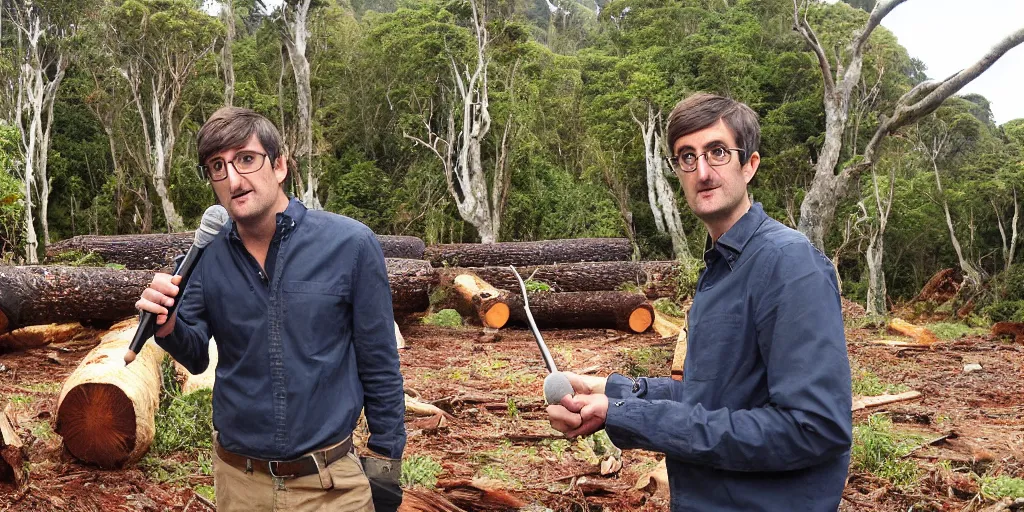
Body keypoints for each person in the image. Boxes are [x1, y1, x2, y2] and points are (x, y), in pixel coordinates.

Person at [546, 93, 853, 511]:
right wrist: (611, 393)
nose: (703, 171)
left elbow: (813, 429)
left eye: (717, 152)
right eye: (686, 157)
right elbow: (716, 398)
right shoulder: (722, 267)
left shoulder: (788, 264)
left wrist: (630, 416)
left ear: (750, 164)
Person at [136, 107, 405, 512]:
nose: (233, 178)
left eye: (246, 159)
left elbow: (380, 365)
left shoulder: (350, 246)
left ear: (279, 165)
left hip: (331, 486)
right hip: (239, 485)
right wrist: (168, 323)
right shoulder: (205, 256)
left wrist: (385, 471)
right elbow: (193, 356)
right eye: (217, 166)